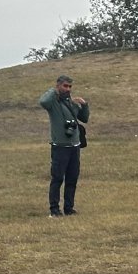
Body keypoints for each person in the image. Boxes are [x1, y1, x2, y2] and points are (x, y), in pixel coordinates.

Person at [38, 74, 88, 218]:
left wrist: (84, 105)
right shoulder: (53, 103)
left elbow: (84, 118)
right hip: (60, 146)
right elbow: (42, 101)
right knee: (57, 178)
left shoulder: (71, 103)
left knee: (72, 178)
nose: (68, 89)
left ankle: (69, 208)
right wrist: (54, 91)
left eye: (70, 86)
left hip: (74, 146)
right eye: (65, 86)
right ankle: (54, 209)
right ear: (58, 86)